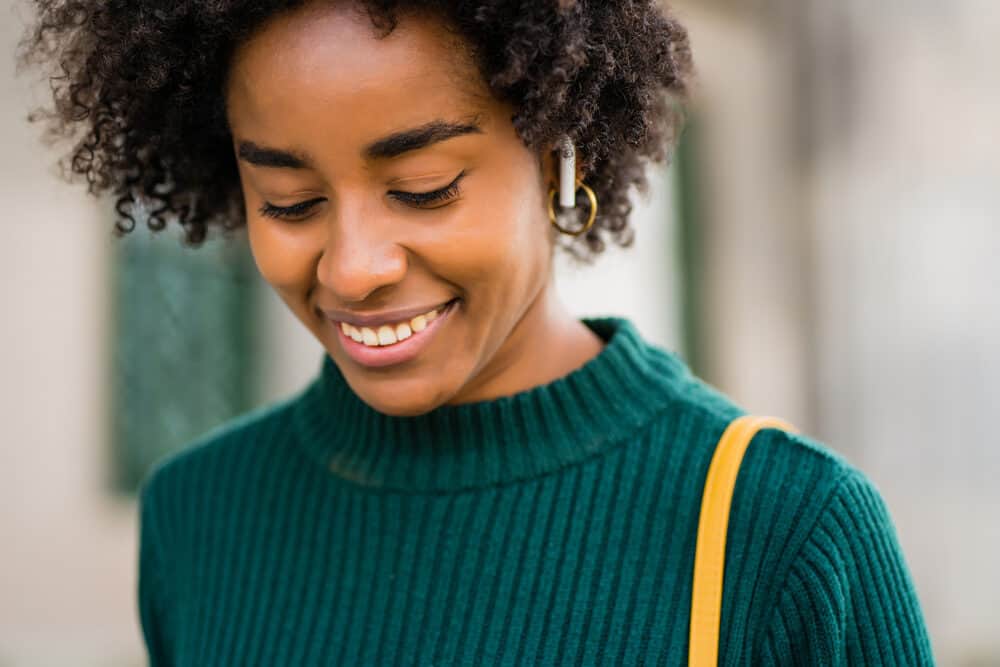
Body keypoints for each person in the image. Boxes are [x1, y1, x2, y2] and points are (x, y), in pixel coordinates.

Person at [19, 1, 934, 664]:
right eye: (289, 202)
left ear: (558, 150)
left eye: (423, 188)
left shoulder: (783, 531)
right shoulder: (198, 518)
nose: (352, 267)